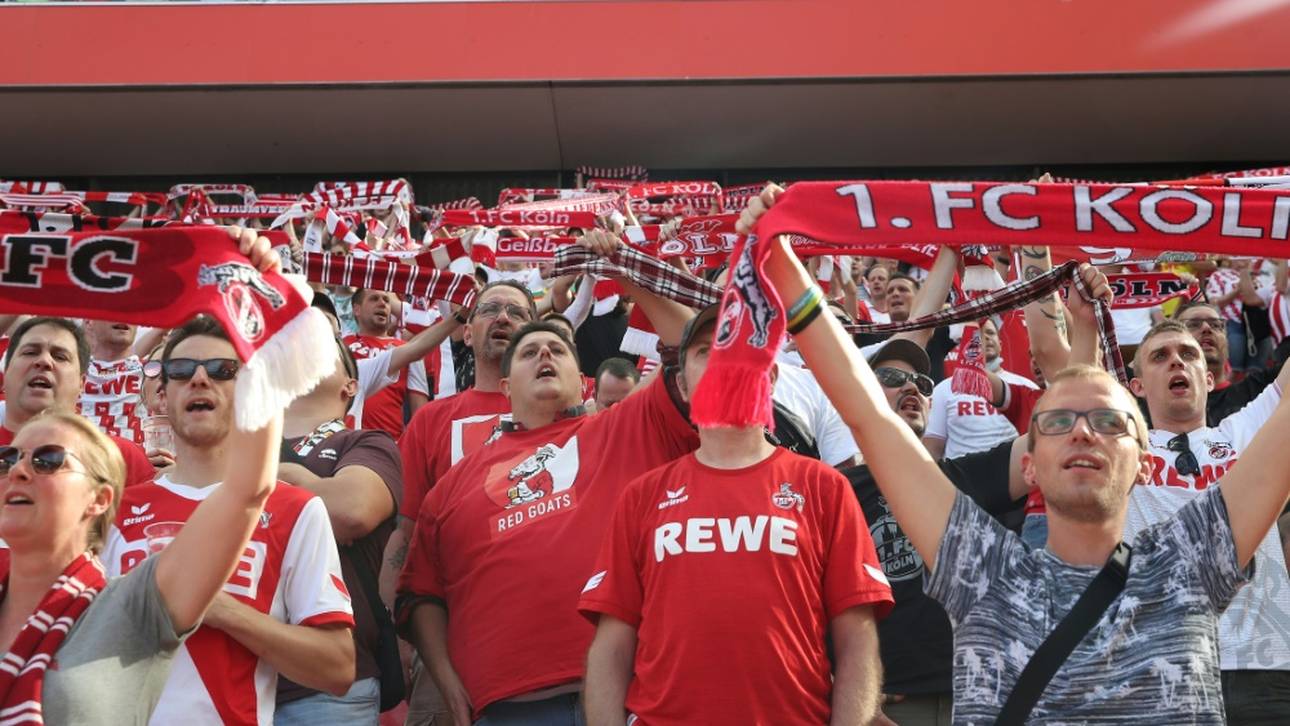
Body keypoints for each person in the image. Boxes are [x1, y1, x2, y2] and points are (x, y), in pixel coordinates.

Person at [741, 184, 1290, 722]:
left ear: (1145, 463)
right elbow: (868, 414)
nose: (1082, 433)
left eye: (1108, 421)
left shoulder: (1190, 559)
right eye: (1056, 421)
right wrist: (782, 264)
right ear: (1028, 464)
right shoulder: (982, 567)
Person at [396, 231, 699, 725]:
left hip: (636, 692)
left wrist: (626, 271)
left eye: (557, 349)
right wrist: (448, 680)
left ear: (580, 376)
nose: (544, 356)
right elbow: (421, 592)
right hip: (509, 705)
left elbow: (696, 351)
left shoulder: (621, 427)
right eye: (529, 352)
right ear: (506, 383)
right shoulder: (453, 486)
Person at [0, 227, 282, 725]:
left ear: (100, 498)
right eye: (8, 460)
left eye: (47, 460)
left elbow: (245, 491)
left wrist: (255, 311)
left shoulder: (136, 605)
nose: (19, 469)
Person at [579, 306, 892, 726]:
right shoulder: (642, 496)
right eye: (707, 349)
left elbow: (857, 638)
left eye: (745, 346)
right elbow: (611, 646)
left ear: (773, 378)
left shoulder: (825, 487)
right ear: (682, 385)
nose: (726, 358)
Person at [104, 316, 357, 726]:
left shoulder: (296, 509)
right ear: (161, 395)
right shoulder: (113, 512)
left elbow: (337, 667)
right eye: (180, 371)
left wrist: (219, 608)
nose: (199, 379)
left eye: (223, 371)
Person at [386, 280, 535, 725]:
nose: (504, 318)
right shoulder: (433, 418)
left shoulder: (566, 413)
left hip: (546, 643)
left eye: (517, 312)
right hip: (448, 642)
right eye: (490, 309)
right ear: (466, 333)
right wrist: (401, 635)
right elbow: (404, 534)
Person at [1126, 319, 1290, 723]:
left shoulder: (1248, 430)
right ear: (1138, 386)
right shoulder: (1121, 450)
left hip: (1265, 666)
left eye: (1188, 355)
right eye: (1159, 357)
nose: (1176, 362)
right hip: (1164, 670)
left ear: (1210, 377)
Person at [274, 336, 403, 725]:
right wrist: (310, 489)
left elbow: (351, 511)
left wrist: (272, 476)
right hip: (230, 676)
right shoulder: (231, 446)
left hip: (328, 689)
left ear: (351, 385)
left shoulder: (364, 442)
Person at [2, 317, 155, 487]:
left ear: (82, 383)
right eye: (30, 352)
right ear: (6, 373)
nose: (44, 361)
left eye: (60, 356)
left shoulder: (123, 458)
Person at [923, 317, 1039, 460]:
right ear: (966, 341)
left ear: (1000, 344)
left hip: (1012, 476)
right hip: (960, 477)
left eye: (991, 333)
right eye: (980, 334)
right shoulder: (944, 389)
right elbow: (932, 448)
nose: (987, 337)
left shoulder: (1026, 387)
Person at [1173, 301, 1289, 426]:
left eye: (1216, 325)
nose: (1207, 328)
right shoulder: (1153, 411)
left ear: (1227, 342)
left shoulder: (1262, 389)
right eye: (1194, 324)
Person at [344, 289, 430, 439]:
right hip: (346, 439)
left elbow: (419, 406)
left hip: (389, 441)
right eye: (374, 299)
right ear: (356, 309)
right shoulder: (341, 346)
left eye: (386, 300)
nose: (382, 303)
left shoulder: (409, 350)